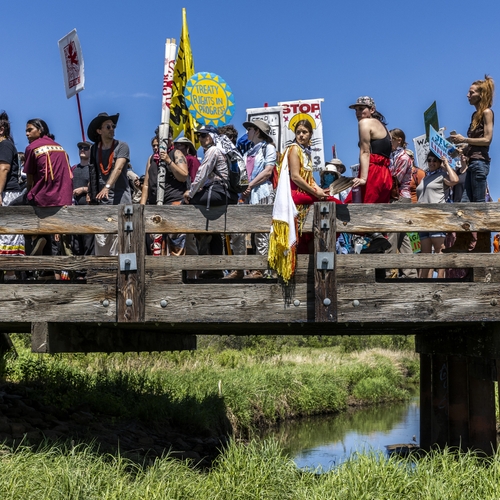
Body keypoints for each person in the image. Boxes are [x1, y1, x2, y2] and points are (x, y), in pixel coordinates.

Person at [184, 125, 239, 269]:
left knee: (185, 205)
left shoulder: (213, 150)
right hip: (225, 193)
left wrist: (190, 193)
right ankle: (214, 267)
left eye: (203, 135)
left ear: (212, 136)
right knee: (213, 229)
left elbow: (202, 174)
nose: (200, 139)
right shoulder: (222, 150)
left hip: (218, 192)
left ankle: (206, 260)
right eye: (199, 136)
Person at [24, 118, 74, 256]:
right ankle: (63, 243)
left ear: (40, 130)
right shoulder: (60, 147)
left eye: (30, 130)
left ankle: (37, 238)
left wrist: (29, 195)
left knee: (14, 208)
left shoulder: (32, 148)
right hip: (65, 199)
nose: (27, 134)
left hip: (45, 198)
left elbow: (29, 179)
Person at [87, 112, 131, 256]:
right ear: (99, 131)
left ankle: (124, 277)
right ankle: (104, 276)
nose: (112, 128)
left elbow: (118, 168)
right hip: (102, 203)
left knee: (121, 242)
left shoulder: (122, 146)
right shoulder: (94, 149)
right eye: (108, 126)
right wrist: (90, 193)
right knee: (102, 241)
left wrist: (107, 187)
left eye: (113, 126)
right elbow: (93, 173)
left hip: (120, 201)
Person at [140, 130, 189, 256]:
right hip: (154, 204)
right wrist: (142, 206)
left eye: (159, 144)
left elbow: (183, 176)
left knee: (175, 240)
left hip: (174, 201)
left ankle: (176, 272)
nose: (156, 147)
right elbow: (146, 184)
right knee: (155, 241)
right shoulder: (151, 159)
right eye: (154, 145)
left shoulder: (176, 153)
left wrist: (169, 161)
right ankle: (158, 272)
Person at [239, 119, 276, 279]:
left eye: (250, 129)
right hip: (250, 195)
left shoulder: (269, 148)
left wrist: (250, 185)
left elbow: (268, 171)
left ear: (257, 131)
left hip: (262, 193)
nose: (247, 132)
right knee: (252, 232)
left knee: (262, 231)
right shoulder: (248, 152)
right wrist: (244, 188)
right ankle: (253, 268)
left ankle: (262, 269)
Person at [449, 75, 494, 203]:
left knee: (478, 204)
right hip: (473, 163)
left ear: (481, 94)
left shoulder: (487, 112)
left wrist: (464, 140)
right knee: (465, 203)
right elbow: (476, 142)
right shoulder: (475, 115)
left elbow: (487, 140)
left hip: (480, 163)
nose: (467, 95)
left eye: (471, 92)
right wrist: (462, 149)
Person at [416, 152, 459, 278]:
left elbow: (455, 180)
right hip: (422, 219)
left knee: (439, 249)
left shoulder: (442, 175)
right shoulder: (425, 177)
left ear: (439, 162)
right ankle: (423, 281)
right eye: (429, 160)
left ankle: (440, 280)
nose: (431, 163)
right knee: (425, 253)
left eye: (435, 160)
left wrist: (446, 163)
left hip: (436, 217)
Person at [346, 96, 392, 204]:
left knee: (357, 211)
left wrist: (363, 178)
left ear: (372, 109)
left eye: (361, 109)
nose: (357, 112)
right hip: (385, 175)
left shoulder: (364, 123)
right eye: (356, 110)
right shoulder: (384, 127)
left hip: (372, 173)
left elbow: (365, 152)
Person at [386, 129, 416, 278]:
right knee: (403, 237)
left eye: (391, 139)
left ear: (399, 140)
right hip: (398, 197)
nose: (388, 141)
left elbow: (395, 178)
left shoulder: (403, 157)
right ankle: (410, 272)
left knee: (392, 233)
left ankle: (390, 270)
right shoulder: (393, 155)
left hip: (400, 197)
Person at [0, 111, 25, 279]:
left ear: (1, 129)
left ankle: (10, 284)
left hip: (7, 194)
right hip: (4, 193)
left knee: (7, 240)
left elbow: (4, 169)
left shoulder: (5, 145)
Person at [71, 141, 94, 259]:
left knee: (88, 243)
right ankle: (78, 274)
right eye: (80, 147)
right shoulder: (73, 169)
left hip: (89, 212)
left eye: (86, 148)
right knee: (75, 244)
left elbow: (97, 187)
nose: (82, 149)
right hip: (75, 212)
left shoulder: (92, 169)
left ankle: (88, 272)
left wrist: (84, 189)